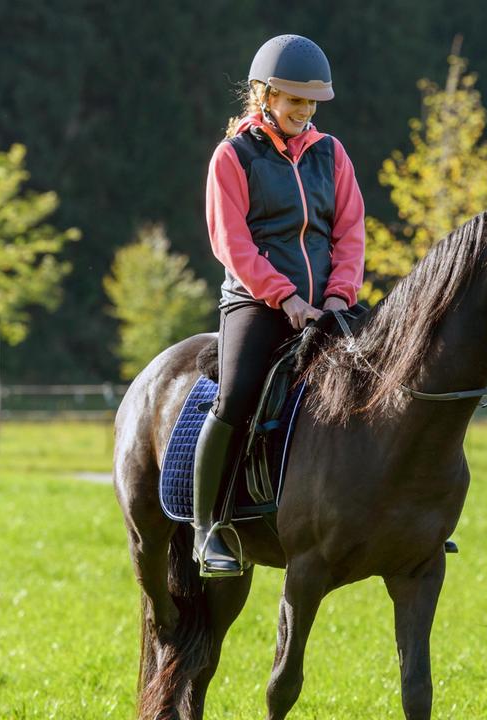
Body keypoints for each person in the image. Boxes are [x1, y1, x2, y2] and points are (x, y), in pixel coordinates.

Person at [195, 34, 365, 577]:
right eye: (295, 100)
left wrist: (338, 296)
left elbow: (350, 233)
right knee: (238, 393)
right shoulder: (233, 157)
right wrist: (283, 296)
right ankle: (209, 528)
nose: (305, 111)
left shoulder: (331, 154)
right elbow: (231, 242)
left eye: (312, 102)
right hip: (255, 302)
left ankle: (395, 517)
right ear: (264, 96)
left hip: (326, 304)